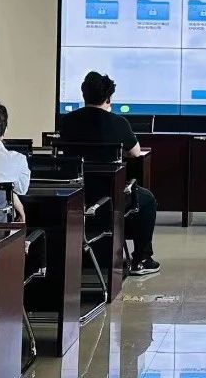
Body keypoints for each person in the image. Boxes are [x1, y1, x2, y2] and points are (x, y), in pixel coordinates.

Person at [57, 72, 160, 275]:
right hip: (109, 193)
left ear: (84, 94)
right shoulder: (118, 122)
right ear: (109, 98)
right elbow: (135, 152)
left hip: (75, 193)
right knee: (146, 200)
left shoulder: (67, 121)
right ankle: (142, 258)